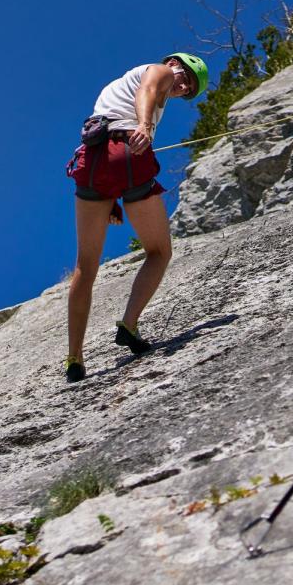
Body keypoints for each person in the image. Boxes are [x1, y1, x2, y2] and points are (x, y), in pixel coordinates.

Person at [65, 53, 208, 383]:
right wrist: (144, 125)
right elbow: (147, 89)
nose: (183, 86)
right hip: (128, 149)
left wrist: (111, 194)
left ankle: (74, 357)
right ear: (174, 62)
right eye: (186, 77)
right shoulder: (158, 71)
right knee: (159, 252)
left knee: (86, 266)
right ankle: (129, 324)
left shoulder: (117, 87)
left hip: (92, 162)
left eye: (188, 89)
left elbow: (109, 148)